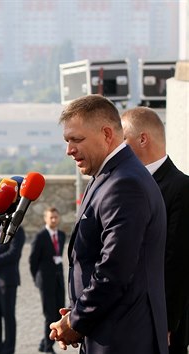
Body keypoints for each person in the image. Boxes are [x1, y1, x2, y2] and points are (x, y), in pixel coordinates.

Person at [50, 94, 167, 353]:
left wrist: (76, 321)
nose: (69, 150)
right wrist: (76, 312)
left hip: (124, 340)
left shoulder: (125, 184)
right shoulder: (108, 175)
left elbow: (114, 270)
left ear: (106, 134)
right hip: (108, 333)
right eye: (67, 141)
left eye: (76, 140)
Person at [121, 107, 189, 354]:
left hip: (161, 327)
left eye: (123, 141)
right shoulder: (125, 185)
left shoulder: (181, 187)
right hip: (128, 321)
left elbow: (177, 261)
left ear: (142, 139)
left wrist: (166, 323)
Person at [0, 219, 25, 354]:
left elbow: (13, 254)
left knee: (8, 317)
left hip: (7, 281)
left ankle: (8, 350)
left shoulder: (17, 230)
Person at [29, 207, 66, 353]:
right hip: (45, 281)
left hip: (58, 279)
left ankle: (44, 342)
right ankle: (47, 347)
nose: (54, 220)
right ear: (45, 219)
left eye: (56, 217)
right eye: (51, 217)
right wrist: (37, 279)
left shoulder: (62, 235)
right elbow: (33, 260)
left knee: (59, 313)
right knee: (49, 314)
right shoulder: (40, 236)